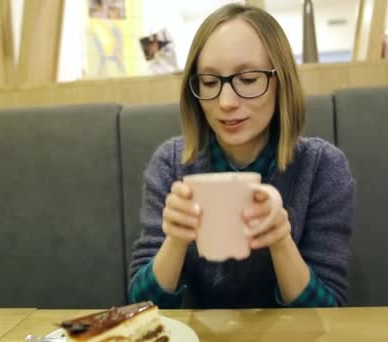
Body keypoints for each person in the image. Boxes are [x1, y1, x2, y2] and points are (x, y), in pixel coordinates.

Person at [128, 3, 354, 309]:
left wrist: (280, 241)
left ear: (281, 83)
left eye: (248, 80)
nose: (226, 101)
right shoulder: (171, 163)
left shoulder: (322, 168)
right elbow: (141, 305)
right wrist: (176, 239)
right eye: (209, 82)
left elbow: (329, 312)